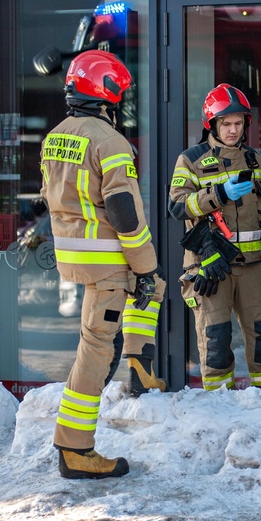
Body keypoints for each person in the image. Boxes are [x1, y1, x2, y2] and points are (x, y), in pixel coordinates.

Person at [41, 50, 167, 479]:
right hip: (106, 259)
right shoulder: (109, 140)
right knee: (97, 350)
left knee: (151, 292)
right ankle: (75, 449)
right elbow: (125, 215)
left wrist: (149, 277)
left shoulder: (57, 134)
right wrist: (145, 266)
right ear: (107, 91)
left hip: (74, 254)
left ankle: (139, 365)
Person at [168, 83, 261, 430]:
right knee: (216, 344)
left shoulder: (253, 159)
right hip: (210, 267)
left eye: (238, 123)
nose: (233, 130)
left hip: (253, 266)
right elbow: (177, 206)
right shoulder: (191, 159)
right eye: (226, 123)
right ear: (212, 124)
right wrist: (218, 193)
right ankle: (220, 416)